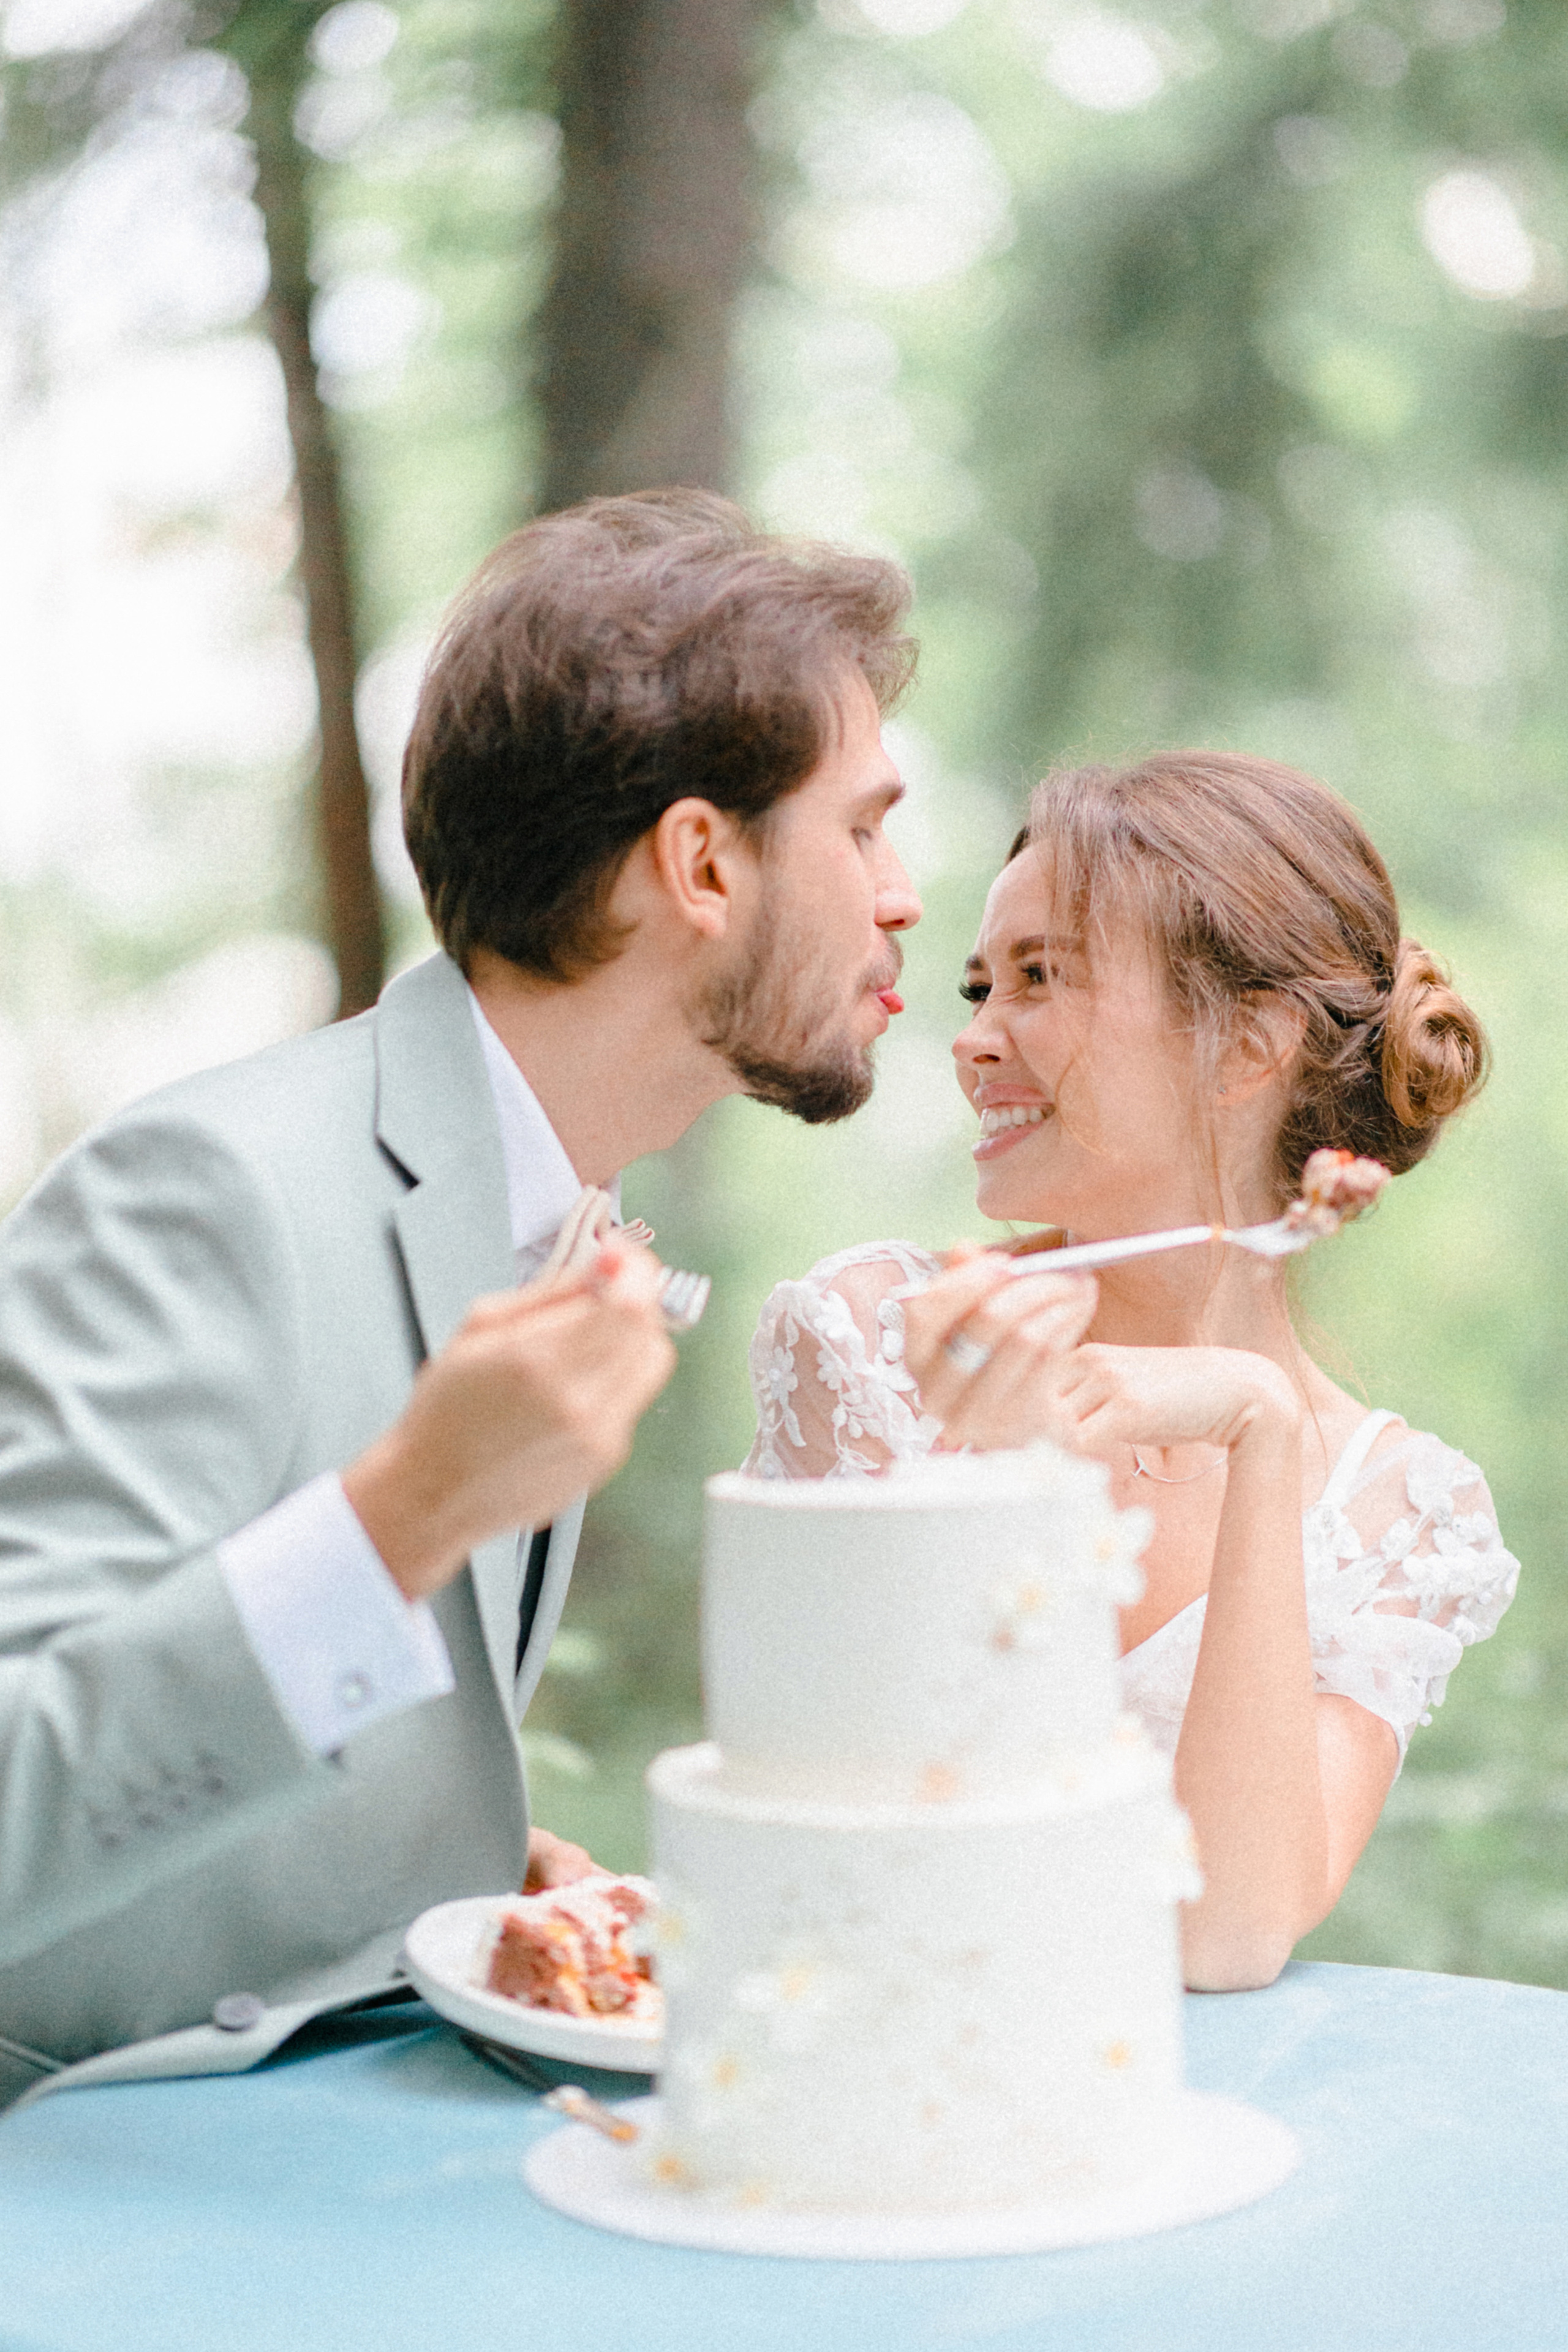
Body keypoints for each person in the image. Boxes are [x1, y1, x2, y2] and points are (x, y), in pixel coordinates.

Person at [0, 489, 921, 2106]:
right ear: (699, 862)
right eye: (860, 826)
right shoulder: (207, 1193)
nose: (902, 893)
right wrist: (399, 1517)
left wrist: (442, 1872)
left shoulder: (560, 1199)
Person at [745, 750, 1518, 1992]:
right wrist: (1003, 1473)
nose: (971, 1042)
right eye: (978, 984)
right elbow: (834, 1836)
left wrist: (1258, 1430)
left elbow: (1225, 1935)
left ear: (1244, 1048)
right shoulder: (874, 1345)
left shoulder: (1400, 1512)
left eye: (1040, 979)